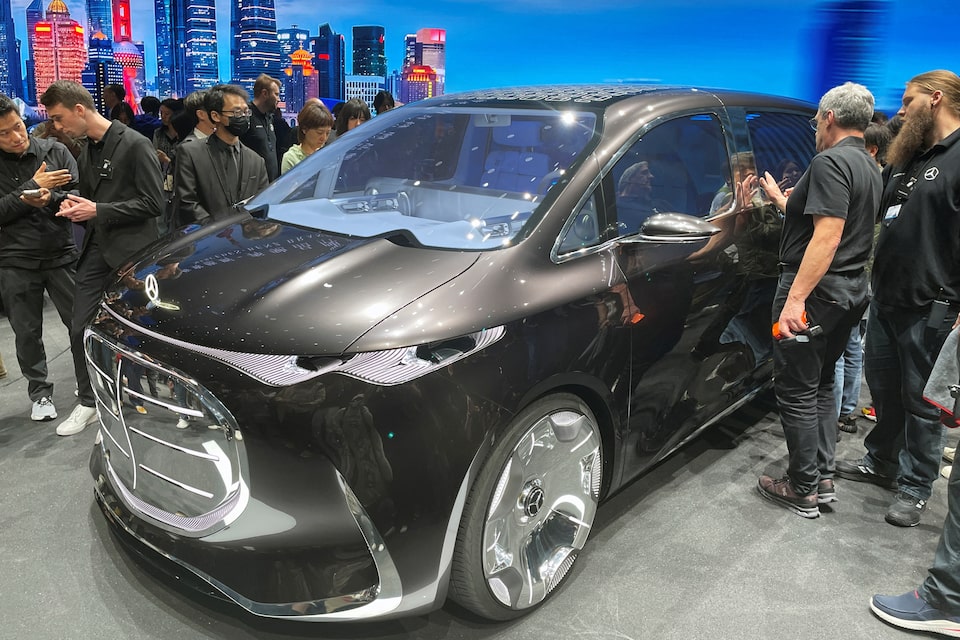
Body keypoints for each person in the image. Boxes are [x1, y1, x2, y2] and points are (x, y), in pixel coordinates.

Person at [836, 70, 960, 527]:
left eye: (909, 101)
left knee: (921, 401)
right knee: (885, 390)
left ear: (936, 98)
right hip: (887, 299)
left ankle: (915, 485)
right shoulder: (909, 156)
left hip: (933, 307)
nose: (901, 110)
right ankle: (881, 460)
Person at [755, 82, 882, 518]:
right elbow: (837, 225)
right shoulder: (867, 165)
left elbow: (827, 238)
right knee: (822, 384)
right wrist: (787, 204)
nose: (814, 130)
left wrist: (795, 301)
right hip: (850, 291)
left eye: (815, 123)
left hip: (817, 293)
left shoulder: (829, 162)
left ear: (828, 118)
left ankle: (802, 487)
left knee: (794, 390)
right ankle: (822, 477)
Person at [39, 80, 165, 437]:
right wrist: (55, 199)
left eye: (60, 118)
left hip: (133, 254)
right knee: (80, 327)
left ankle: (133, 405)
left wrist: (99, 209)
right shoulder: (89, 148)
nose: (57, 127)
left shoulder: (136, 145)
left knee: (135, 334)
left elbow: (154, 203)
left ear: (80, 110)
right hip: (96, 248)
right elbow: (93, 197)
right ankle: (89, 401)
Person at [0, 93, 79, 421]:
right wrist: (28, 191)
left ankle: (88, 383)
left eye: (18, 127)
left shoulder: (55, 150)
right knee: (26, 331)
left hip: (60, 252)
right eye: (4, 133)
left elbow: (78, 195)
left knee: (79, 323)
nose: (16, 136)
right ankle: (40, 393)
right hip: (14, 259)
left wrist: (49, 196)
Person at [835, 121, 893, 437]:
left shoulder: (868, 180)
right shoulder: (882, 180)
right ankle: (846, 410)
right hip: (867, 277)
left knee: (842, 348)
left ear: (871, 149)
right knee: (853, 345)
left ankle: (838, 413)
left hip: (858, 275)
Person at [174, 84, 268, 226]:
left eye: (246, 112)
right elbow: (187, 203)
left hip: (245, 238)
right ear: (215, 116)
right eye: (236, 113)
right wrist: (216, 230)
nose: (243, 117)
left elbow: (261, 203)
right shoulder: (190, 152)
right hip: (205, 238)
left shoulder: (256, 160)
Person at [239, 73, 280, 182]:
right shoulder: (246, 116)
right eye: (276, 94)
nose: (279, 99)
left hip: (271, 184)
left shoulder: (269, 118)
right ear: (265, 93)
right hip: (251, 183)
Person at [281, 101, 333, 174]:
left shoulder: (327, 154)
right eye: (319, 133)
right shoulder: (291, 158)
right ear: (304, 129)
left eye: (328, 133)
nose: (324, 138)